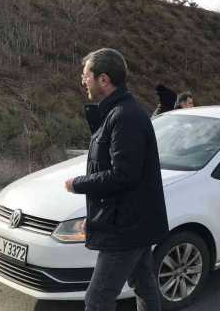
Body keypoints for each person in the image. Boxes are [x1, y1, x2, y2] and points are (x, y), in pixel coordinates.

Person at [65, 48, 169, 311]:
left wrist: (78, 183)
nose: (82, 80)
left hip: (124, 226)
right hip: (131, 221)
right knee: (144, 285)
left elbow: (124, 175)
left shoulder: (125, 116)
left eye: (86, 75)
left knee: (97, 300)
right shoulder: (117, 113)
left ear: (103, 79)